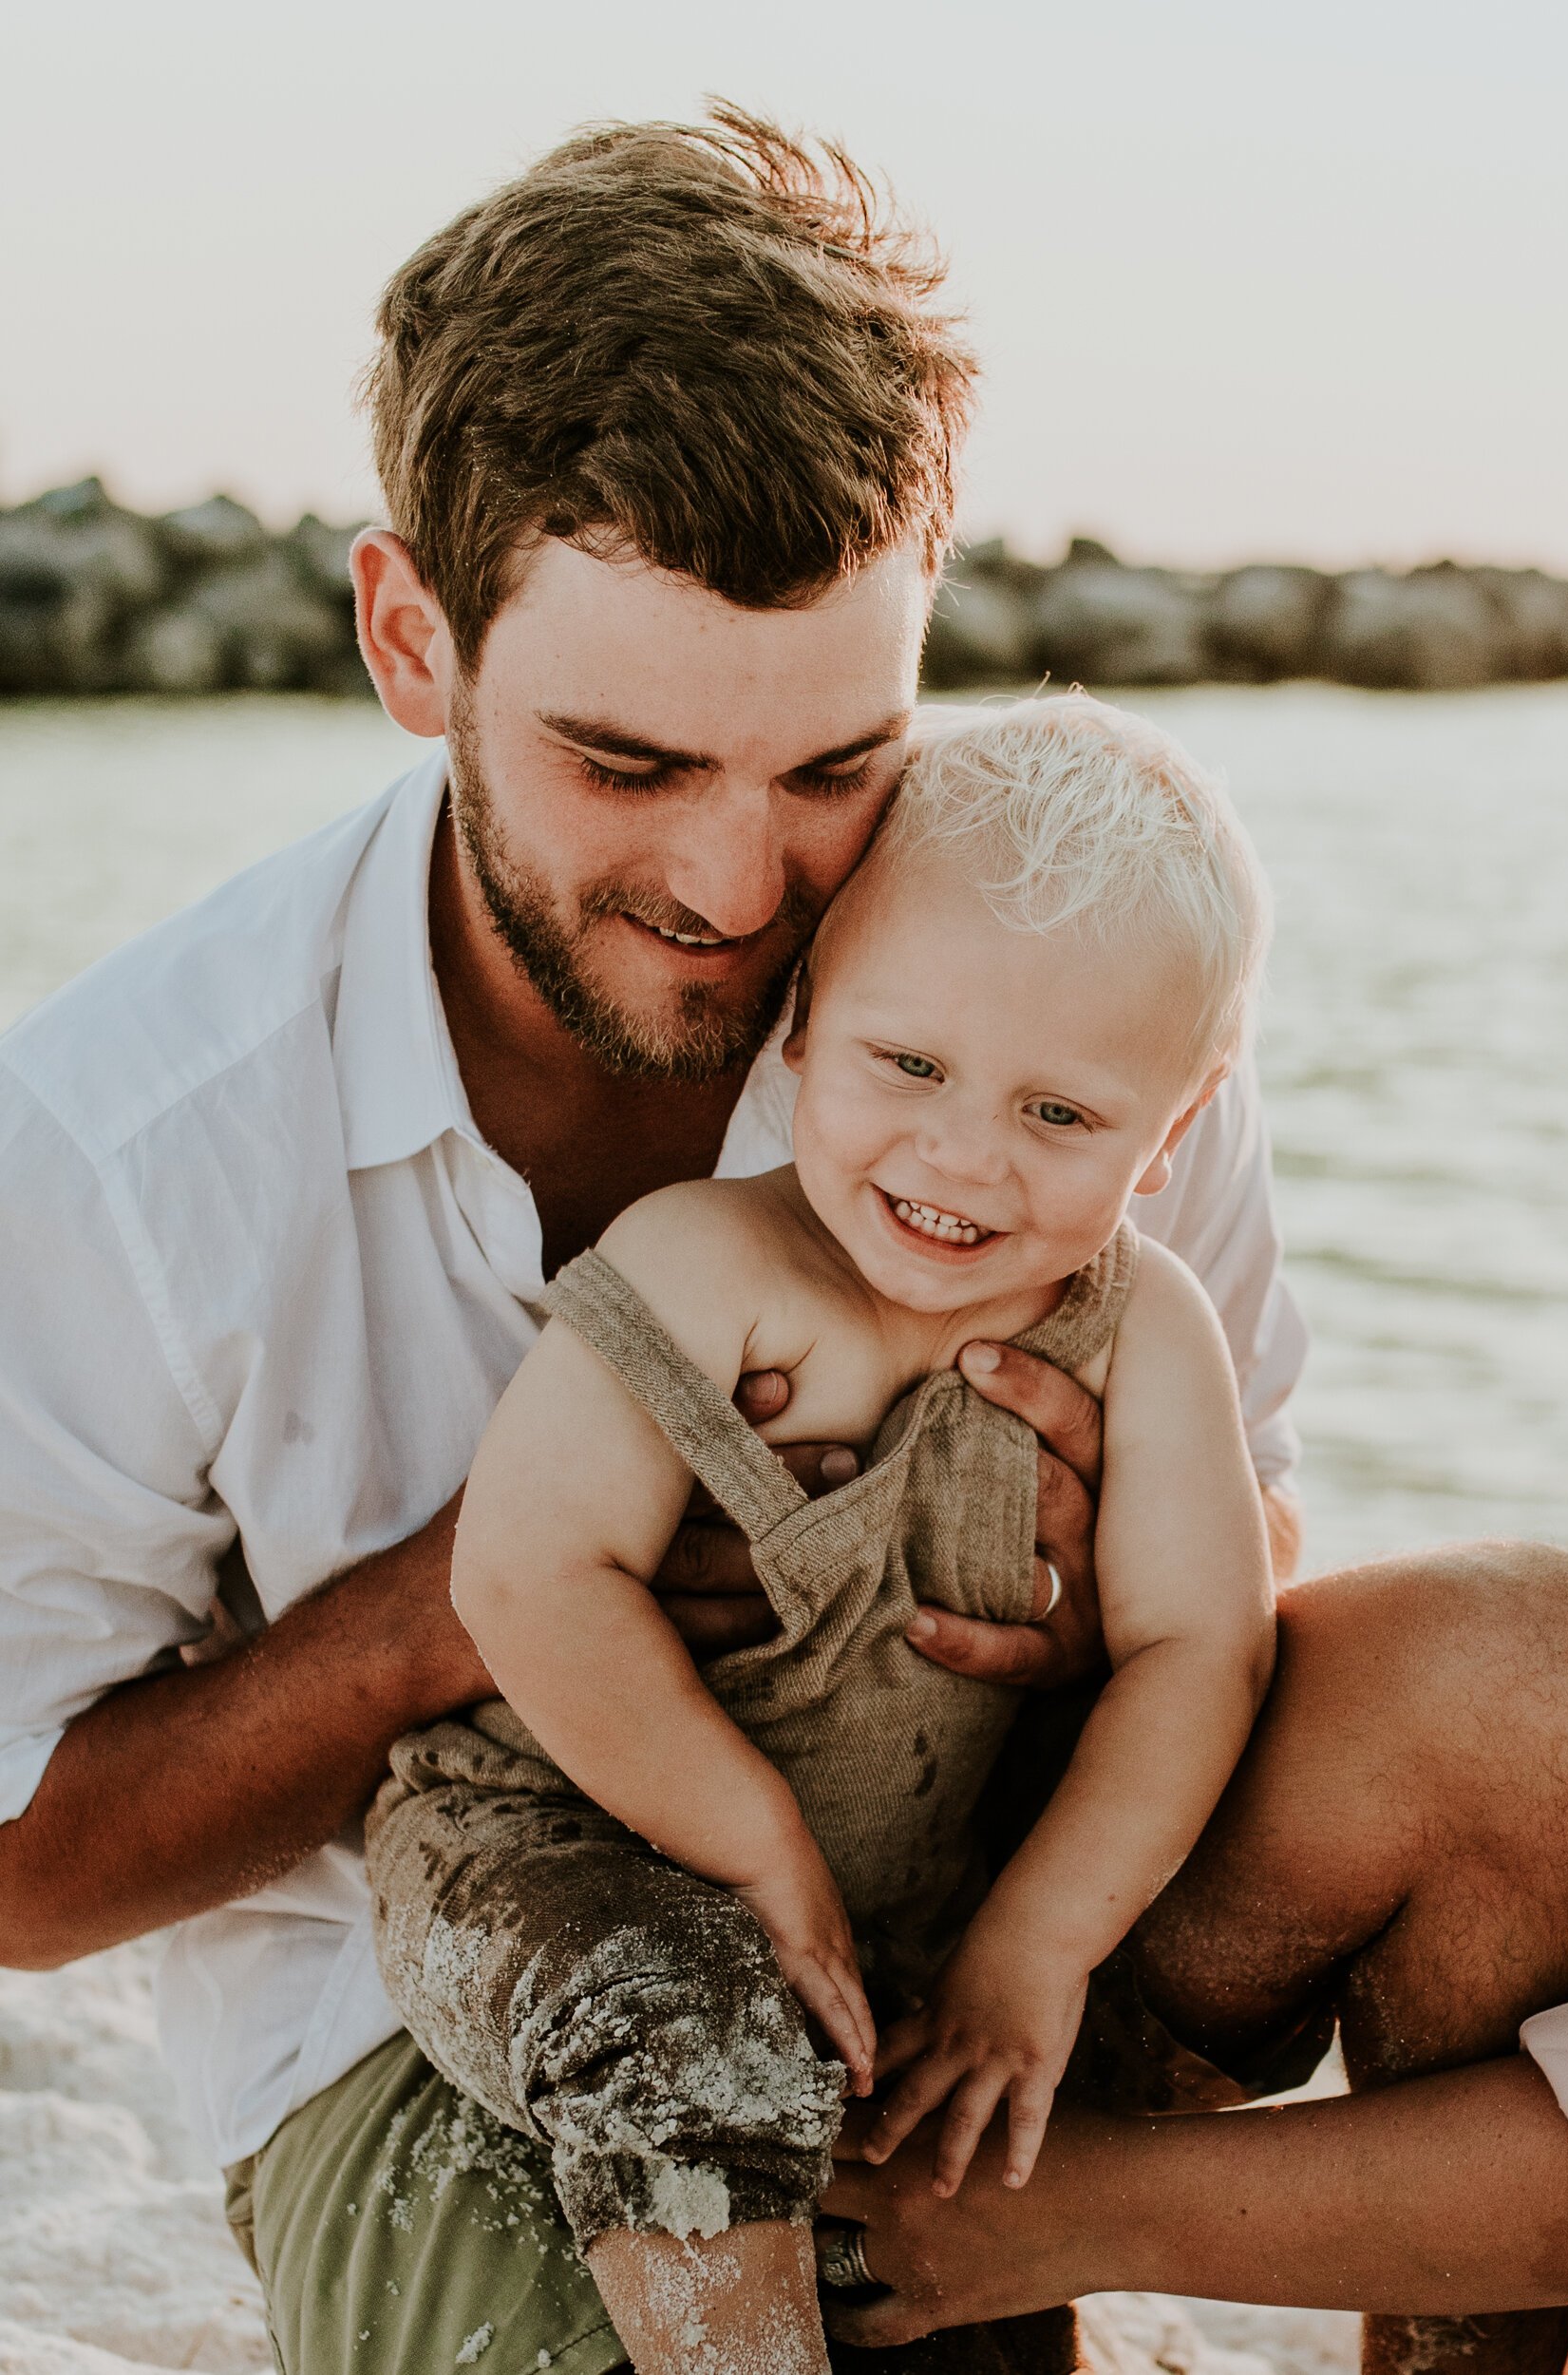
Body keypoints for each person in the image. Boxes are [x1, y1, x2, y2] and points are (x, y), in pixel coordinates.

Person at [0, 99, 1568, 2375]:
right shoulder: (118, 1144)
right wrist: (501, 1598)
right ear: (409, 634)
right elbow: (26, 1869)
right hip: (442, 2035)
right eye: (628, 764)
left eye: (835, 764)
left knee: (1544, 1705)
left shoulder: (1038, 985)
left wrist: (1060, 1595)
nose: (745, 887)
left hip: (1014, 1900)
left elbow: (1253, 1566)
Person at [368, 696, 1276, 2375]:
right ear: (799, 1024)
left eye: (1059, 1115)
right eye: (907, 1063)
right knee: (694, 2030)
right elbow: (524, 1573)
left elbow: (1199, 1643)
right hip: (550, 1850)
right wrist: (753, 1842)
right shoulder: (706, 1266)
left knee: (947, 2175)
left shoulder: (1148, 1334)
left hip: (914, 1894)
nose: (959, 1156)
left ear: (1180, 1124)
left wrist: (1041, 1940)